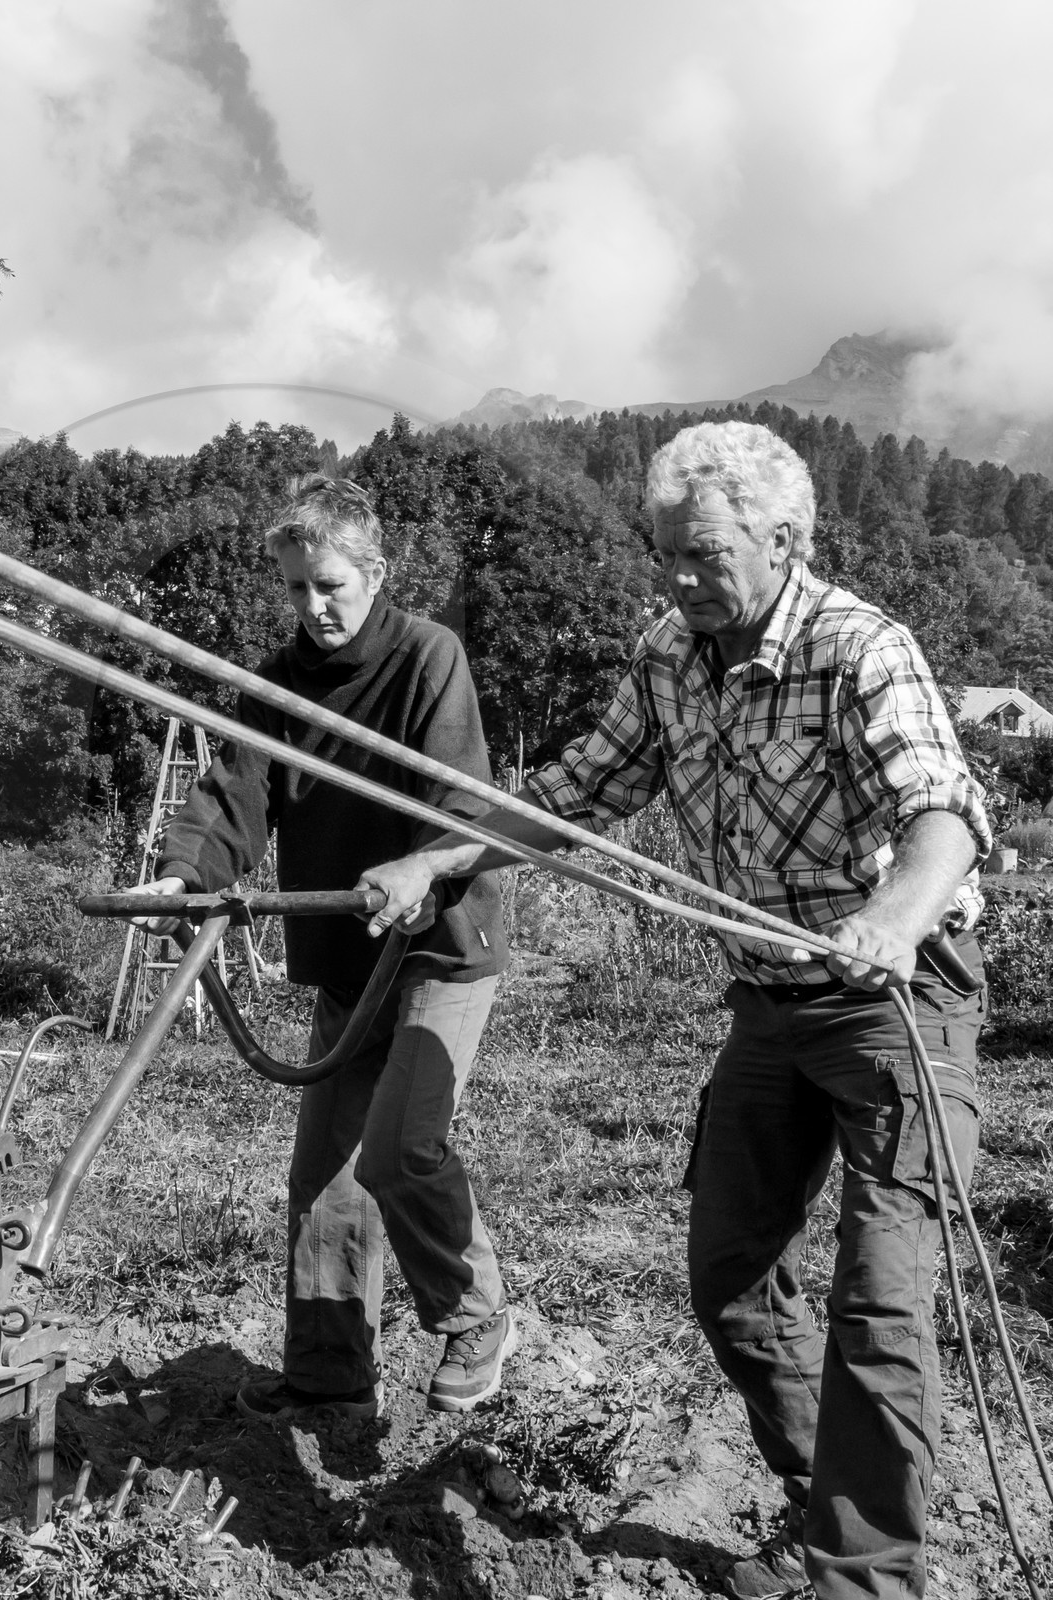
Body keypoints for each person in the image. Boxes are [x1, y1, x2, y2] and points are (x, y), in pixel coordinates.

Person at [357, 422, 990, 1600]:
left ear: (784, 538)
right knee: (729, 1273)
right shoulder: (668, 656)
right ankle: (828, 1506)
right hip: (769, 1005)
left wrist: (894, 916)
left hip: (892, 1006)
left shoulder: (861, 648)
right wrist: (438, 860)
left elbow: (942, 813)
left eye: (703, 556)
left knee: (882, 1295)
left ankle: (866, 1577)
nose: (679, 580)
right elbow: (574, 790)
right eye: (664, 556)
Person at [129, 473, 513, 1422]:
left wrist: (423, 866)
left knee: (398, 1150)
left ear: (375, 573)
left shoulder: (429, 657)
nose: (314, 606)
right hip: (350, 957)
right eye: (297, 587)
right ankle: (330, 1379)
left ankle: (477, 1315)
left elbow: (466, 801)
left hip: (439, 949)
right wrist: (183, 877)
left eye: (331, 585)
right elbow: (234, 797)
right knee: (327, 1178)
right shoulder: (277, 686)